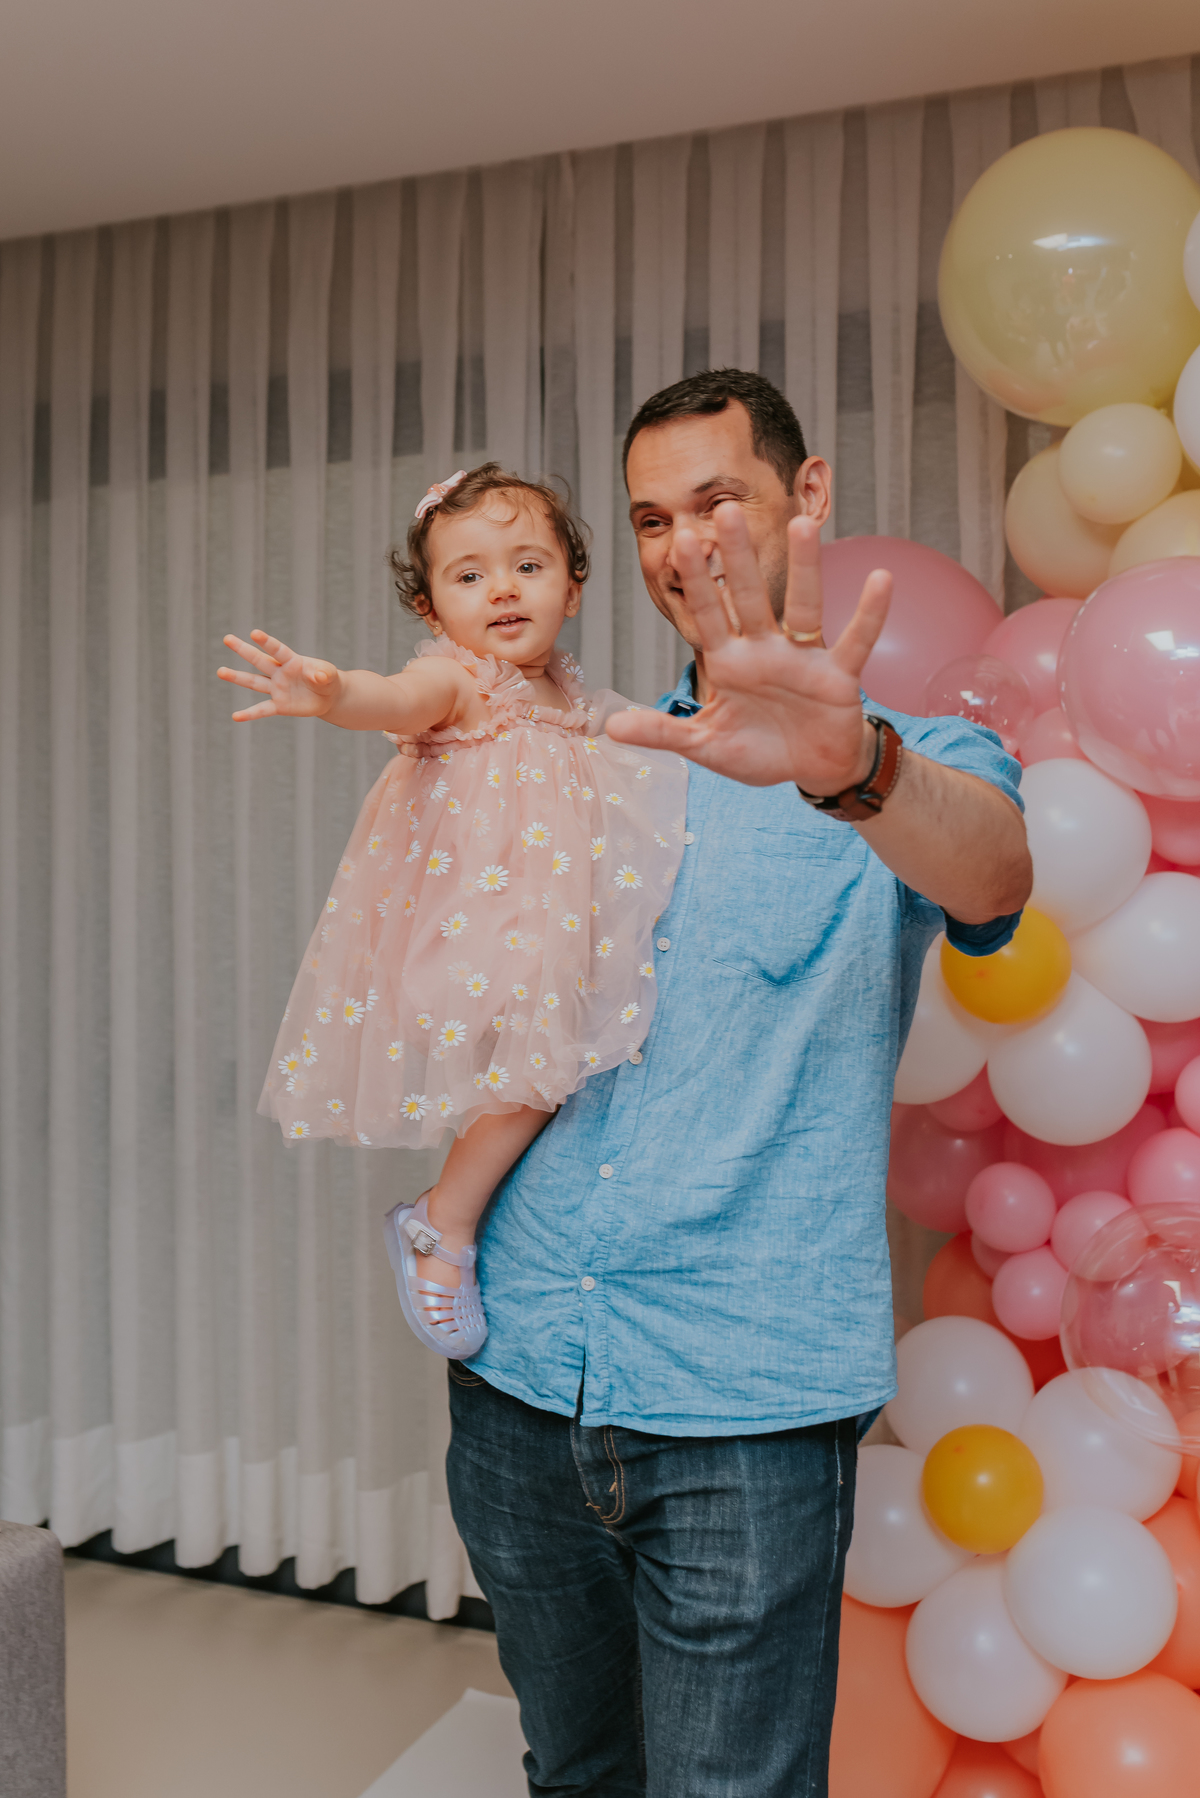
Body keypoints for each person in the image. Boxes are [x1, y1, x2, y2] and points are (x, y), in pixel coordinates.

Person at [444, 370, 1033, 1797]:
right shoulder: (598, 752)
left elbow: (995, 868)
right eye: (650, 516)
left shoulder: (912, 758)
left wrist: (853, 767)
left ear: (808, 497)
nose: (680, 544)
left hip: (745, 1413)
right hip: (521, 1370)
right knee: (575, 1769)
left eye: (719, 499)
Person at [217, 464, 687, 1360]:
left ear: (574, 587)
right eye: (468, 575)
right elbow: (392, 699)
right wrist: (331, 694)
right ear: (434, 613)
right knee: (533, 1083)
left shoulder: (578, 700)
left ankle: (460, 1220)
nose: (501, 588)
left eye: (527, 565)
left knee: (552, 1078)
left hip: (551, 930)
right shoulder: (459, 680)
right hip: (477, 930)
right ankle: (442, 1226)